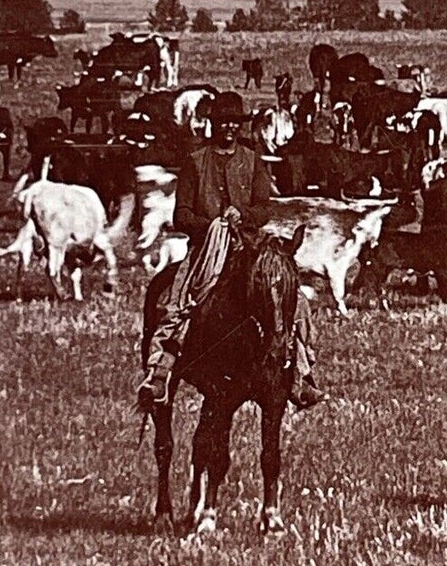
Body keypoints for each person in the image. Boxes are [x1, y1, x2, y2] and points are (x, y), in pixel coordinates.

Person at [137, 91, 322, 410]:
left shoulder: (252, 161)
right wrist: (211, 226)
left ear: (241, 126)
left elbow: (265, 208)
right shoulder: (196, 162)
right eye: (223, 122)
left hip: (249, 249)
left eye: (234, 123)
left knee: (294, 300)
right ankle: (160, 370)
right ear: (213, 124)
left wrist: (244, 215)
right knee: (178, 300)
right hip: (206, 248)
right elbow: (181, 215)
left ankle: (300, 374)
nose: (229, 128)